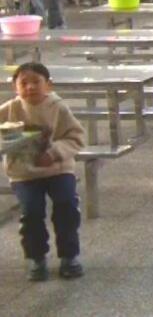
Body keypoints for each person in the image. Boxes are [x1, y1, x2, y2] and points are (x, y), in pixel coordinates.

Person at [1, 63, 86, 281]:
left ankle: (69, 256)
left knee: (67, 206)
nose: (30, 87)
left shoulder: (58, 108)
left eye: (36, 82)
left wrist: (55, 153)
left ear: (48, 85)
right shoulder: (9, 110)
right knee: (31, 212)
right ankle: (36, 257)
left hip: (58, 169)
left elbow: (76, 137)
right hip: (24, 173)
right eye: (23, 83)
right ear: (15, 87)